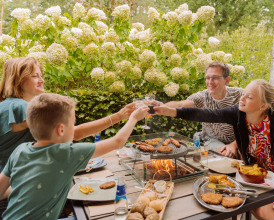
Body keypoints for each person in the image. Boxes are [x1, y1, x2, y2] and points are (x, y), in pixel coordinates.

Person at [154, 79, 274, 220]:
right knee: (243, 204)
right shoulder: (238, 114)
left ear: (263, 105)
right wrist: (173, 111)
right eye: (243, 94)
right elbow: (208, 114)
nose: (242, 99)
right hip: (253, 171)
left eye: (250, 97)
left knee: (261, 209)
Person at [0, 93, 149, 219]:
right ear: (61, 129)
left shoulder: (20, 150)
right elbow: (118, 141)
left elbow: (1, 192)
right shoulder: (66, 153)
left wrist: (27, 188)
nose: (75, 127)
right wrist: (134, 118)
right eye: (74, 123)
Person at [0, 57, 136, 172]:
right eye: (35, 76)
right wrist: (118, 116)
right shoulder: (20, 107)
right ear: (18, 80)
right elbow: (73, 134)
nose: (41, 80)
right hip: (15, 187)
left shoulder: (8, 104)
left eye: (41, 75)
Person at [165, 61, 243, 158]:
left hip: (237, 139)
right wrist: (161, 107)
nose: (210, 82)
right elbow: (180, 104)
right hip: (211, 139)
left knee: (242, 154)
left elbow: (252, 126)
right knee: (225, 154)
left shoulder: (240, 95)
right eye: (207, 78)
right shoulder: (202, 96)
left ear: (227, 80)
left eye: (215, 78)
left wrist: (234, 145)